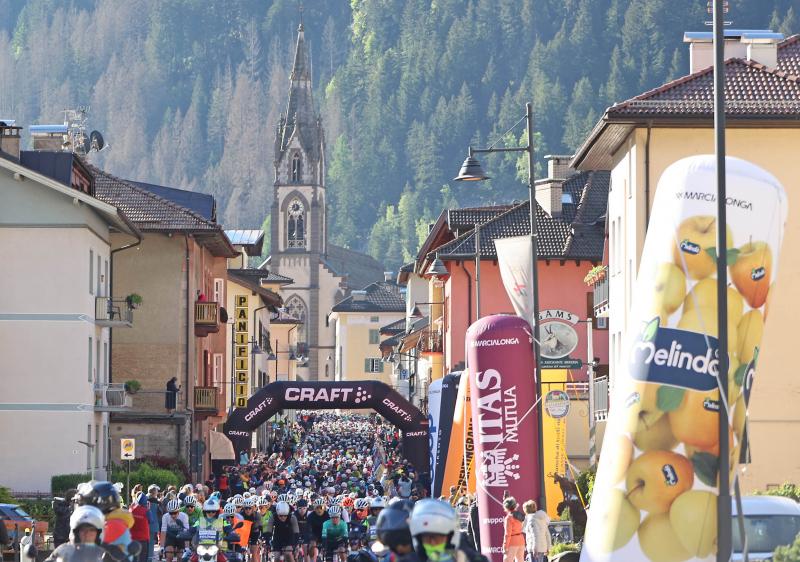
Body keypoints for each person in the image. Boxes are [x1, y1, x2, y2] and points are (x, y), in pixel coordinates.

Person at [409, 499, 485, 562]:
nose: (433, 542)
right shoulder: (409, 558)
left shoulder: (469, 557)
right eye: (427, 537)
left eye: (438, 537)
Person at [130, 492, 151, 562]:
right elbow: (151, 520)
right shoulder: (146, 511)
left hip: (132, 538)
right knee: (143, 558)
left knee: (133, 559)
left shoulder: (132, 510)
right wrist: (148, 509)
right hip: (144, 539)